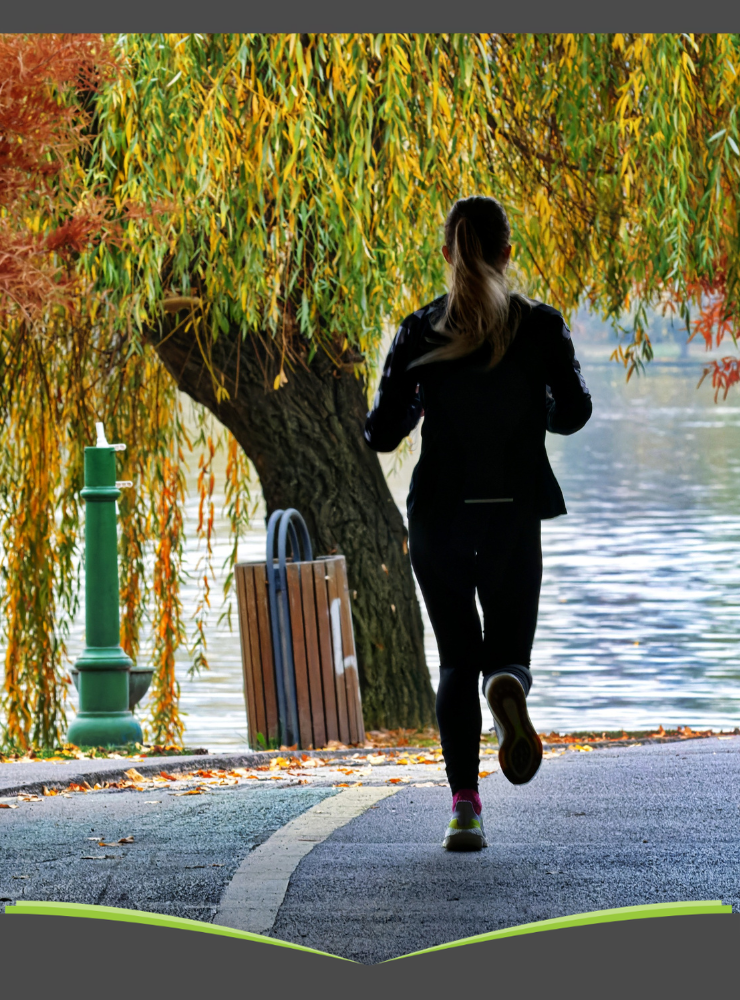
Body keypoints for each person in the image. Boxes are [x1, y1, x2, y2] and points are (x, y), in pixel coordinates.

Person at [363, 195, 592, 851]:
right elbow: (573, 412)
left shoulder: (418, 330)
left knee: (456, 660)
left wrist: (407, 406)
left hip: (440, 514)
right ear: (506, 253)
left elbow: (384, 432)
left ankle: (465, 809)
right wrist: (532, 403)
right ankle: (509, 685)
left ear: (447, 254)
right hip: (513, 513)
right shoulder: (541, 327)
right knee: (505, 654)